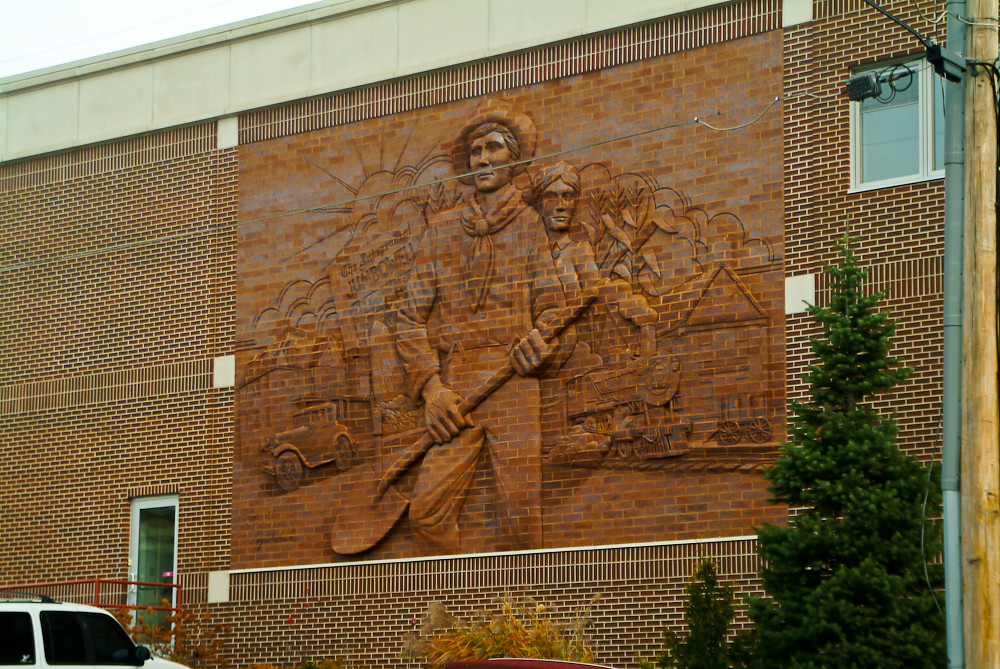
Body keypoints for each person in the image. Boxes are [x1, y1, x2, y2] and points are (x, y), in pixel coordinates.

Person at [392, 99, 568, 554]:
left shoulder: (530, 226)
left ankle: (527, 617)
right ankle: (457, 610)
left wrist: (541, 346)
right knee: (426, 514)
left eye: (494, 148)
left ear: (514, 160)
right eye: (476, 152)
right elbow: (408, 315)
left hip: (512, 382)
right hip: (455, 388)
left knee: (522, 516)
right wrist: (431, 388)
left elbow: (554, 308)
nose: (484, 158)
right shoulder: (442, 230)